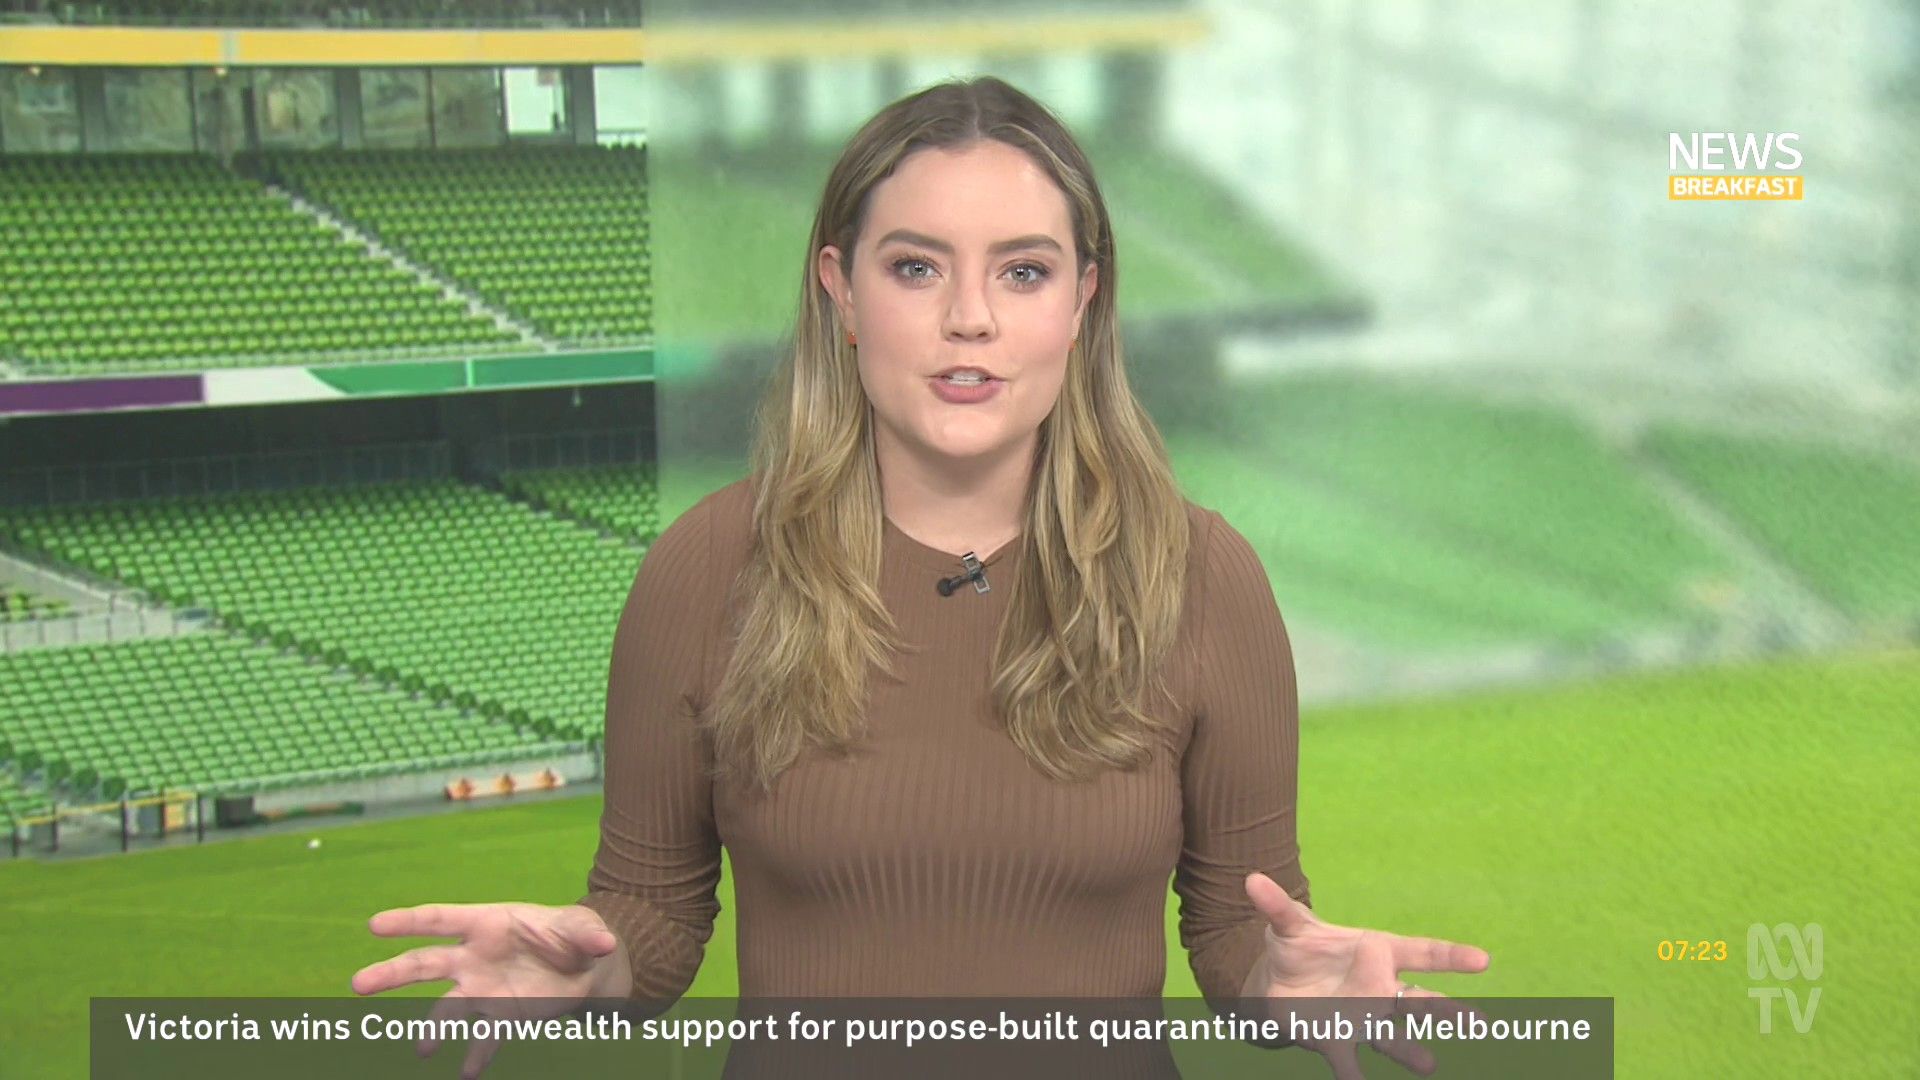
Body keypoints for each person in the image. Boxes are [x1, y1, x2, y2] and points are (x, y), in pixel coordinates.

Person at [352, 76, 1491, 1079]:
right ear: (841, 291)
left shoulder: (1202, 576)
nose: (970, 320)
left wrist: (1287, 984)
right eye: (916, 268)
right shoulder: (704, 568)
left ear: (1084, 300)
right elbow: (651, 917)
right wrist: (585, 974)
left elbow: (1241, 927)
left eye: (1024, 271)